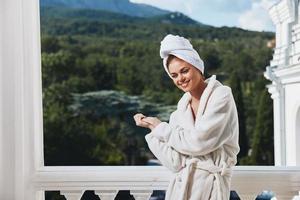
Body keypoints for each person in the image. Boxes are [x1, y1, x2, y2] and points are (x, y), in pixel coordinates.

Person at [133, 34, 240, 200]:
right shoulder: (179, 112)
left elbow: (200, 142)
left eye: (184, 71)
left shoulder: (221, 96)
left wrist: (161, 128)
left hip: (212, 189)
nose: (180, 79)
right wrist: (153, 131)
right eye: (174, 75)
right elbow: (176, 163)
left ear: (197, 67)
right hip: (180, 191)